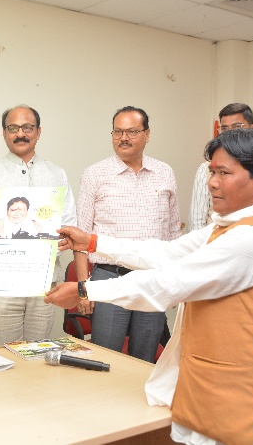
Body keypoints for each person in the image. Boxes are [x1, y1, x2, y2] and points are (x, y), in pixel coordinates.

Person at [45, 127, 253, 444]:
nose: (212, 182)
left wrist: (85, 290)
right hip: (220, 392)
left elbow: (168, 283)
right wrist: (93, 242)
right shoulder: (230, 227)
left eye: (224, 173)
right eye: (212, 172)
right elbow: (167, 253)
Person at [73, 106, 180, 362]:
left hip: (152, 281)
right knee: (106, 357)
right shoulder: (95, 174)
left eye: (132, 131)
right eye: (118, 132)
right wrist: (83, 289)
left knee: (145, 358)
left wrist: (175, 283)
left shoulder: (164, 172)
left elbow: (173, 232)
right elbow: (80, 237)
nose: (124, 138)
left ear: (147, 134)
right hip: (109, 278)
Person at [0, 104, 76, 347]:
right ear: (4, 133)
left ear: (38, 131)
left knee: (37, 354)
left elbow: (69, 223)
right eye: (13, 128)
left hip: (43, 281)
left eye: (27, 128)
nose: (20, 134)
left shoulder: (56, 174)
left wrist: (57, 243)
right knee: (3, 354)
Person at [189, 103, 253, 232]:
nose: (230, 133)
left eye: (237, 127)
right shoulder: (206, 168)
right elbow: (196, 223)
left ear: (252, 128)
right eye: (224, 128)